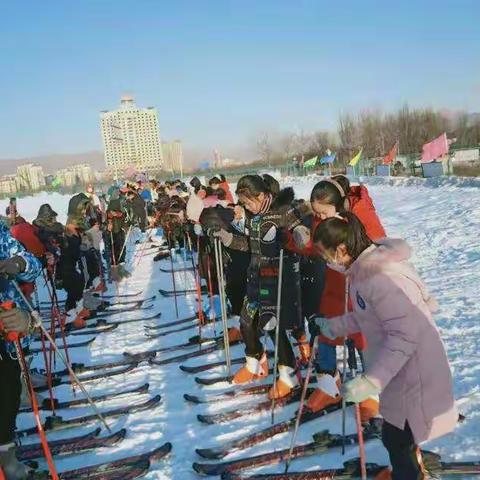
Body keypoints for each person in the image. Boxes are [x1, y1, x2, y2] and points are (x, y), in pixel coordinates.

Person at [311, 213, 457, 480]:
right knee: (395, 436)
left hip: (414, 370)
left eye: (325, 255)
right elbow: (369, 315)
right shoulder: (362, 272)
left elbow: (404, 335)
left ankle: (410, 475)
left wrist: (370, 381)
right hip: (398, 370)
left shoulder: (379, 277)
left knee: (399, 438)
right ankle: (406, 472)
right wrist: (333, 327)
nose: (325, 262)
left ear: (341, 249)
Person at [214, 174, 310, 399]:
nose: (246, 207)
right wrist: (228, 239)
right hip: (255, 276)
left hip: (277, 278)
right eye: (243, 204)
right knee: (246, 321)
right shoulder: (252, 216)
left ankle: (288, 374)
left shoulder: (282, 212)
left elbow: (302, 220)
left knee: (273, 327)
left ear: (262, 195)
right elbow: (251, 244)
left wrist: (298, 234)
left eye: (248, 202)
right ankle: (255, 363)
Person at [299, 176, 385, 421]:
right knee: (326, 330)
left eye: (324, 213)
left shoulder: (360, 214)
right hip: (334, 285)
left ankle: (372, 392)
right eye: (317, 215)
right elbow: (315, 245)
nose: (320, 219)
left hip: (359, 287)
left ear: (341, 206)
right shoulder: (322, 220)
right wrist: (295, 241)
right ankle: (328, 384)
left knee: (363, 339)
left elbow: (378, 244)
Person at [0, 217, 42, 480]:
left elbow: (31, 264)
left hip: (6, 337)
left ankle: (6, 456)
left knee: (7, 393)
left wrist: (21, 263)